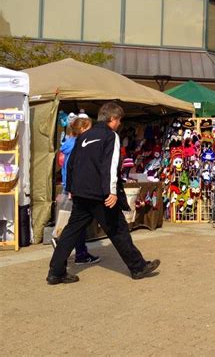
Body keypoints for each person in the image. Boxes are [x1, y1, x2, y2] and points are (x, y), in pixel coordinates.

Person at [46, 102, 160, 285]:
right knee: (118, 229)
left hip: (81, 192)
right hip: (100, 193)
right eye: (119, 121)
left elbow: (72, 163)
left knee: (71, 231)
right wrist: (111, 192)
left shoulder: (84, 136)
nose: (119, 124)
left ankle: (55, 272)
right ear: (113, 119)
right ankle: (138, 267)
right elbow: (110, 165)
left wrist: (72, 188)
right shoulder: (110, 136)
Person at [56, 116, 101, 265]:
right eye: (89, 128)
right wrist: (70, 188)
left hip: (71, 187)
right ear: (81, 129)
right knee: (76, 225)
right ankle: (77, 251)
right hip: (74, 189)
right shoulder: (77, 145)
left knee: (75, 223)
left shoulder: (69, 144)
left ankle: (78, 251)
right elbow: (71, 168)